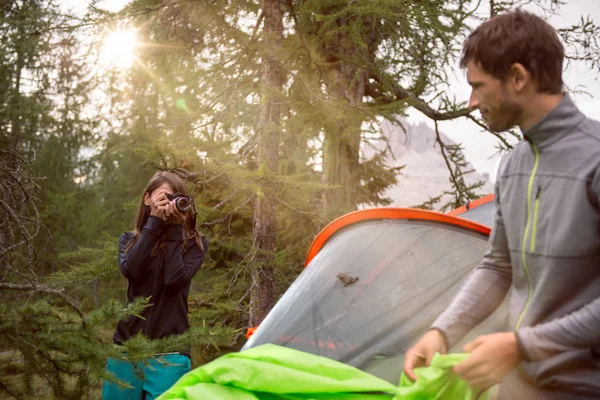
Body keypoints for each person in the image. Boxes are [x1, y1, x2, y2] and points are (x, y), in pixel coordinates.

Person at [403, 9, 600, 399]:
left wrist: (521, 345)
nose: (473, 101)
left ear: (517, 77)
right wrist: (441, 331)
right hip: (516, 385)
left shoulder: (595, 158)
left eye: (479, 86)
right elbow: (498, 266)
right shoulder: (513, 165)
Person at [102, 171, 209, 399]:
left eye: (175, 198)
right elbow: (132, 270)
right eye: (164, 198)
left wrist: (174, 230)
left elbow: (173, 280)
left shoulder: (195, 244)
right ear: (147, 199)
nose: (169, 204)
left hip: (171, 351)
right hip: (126, 348)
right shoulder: (129, 240)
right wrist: (154, 222)